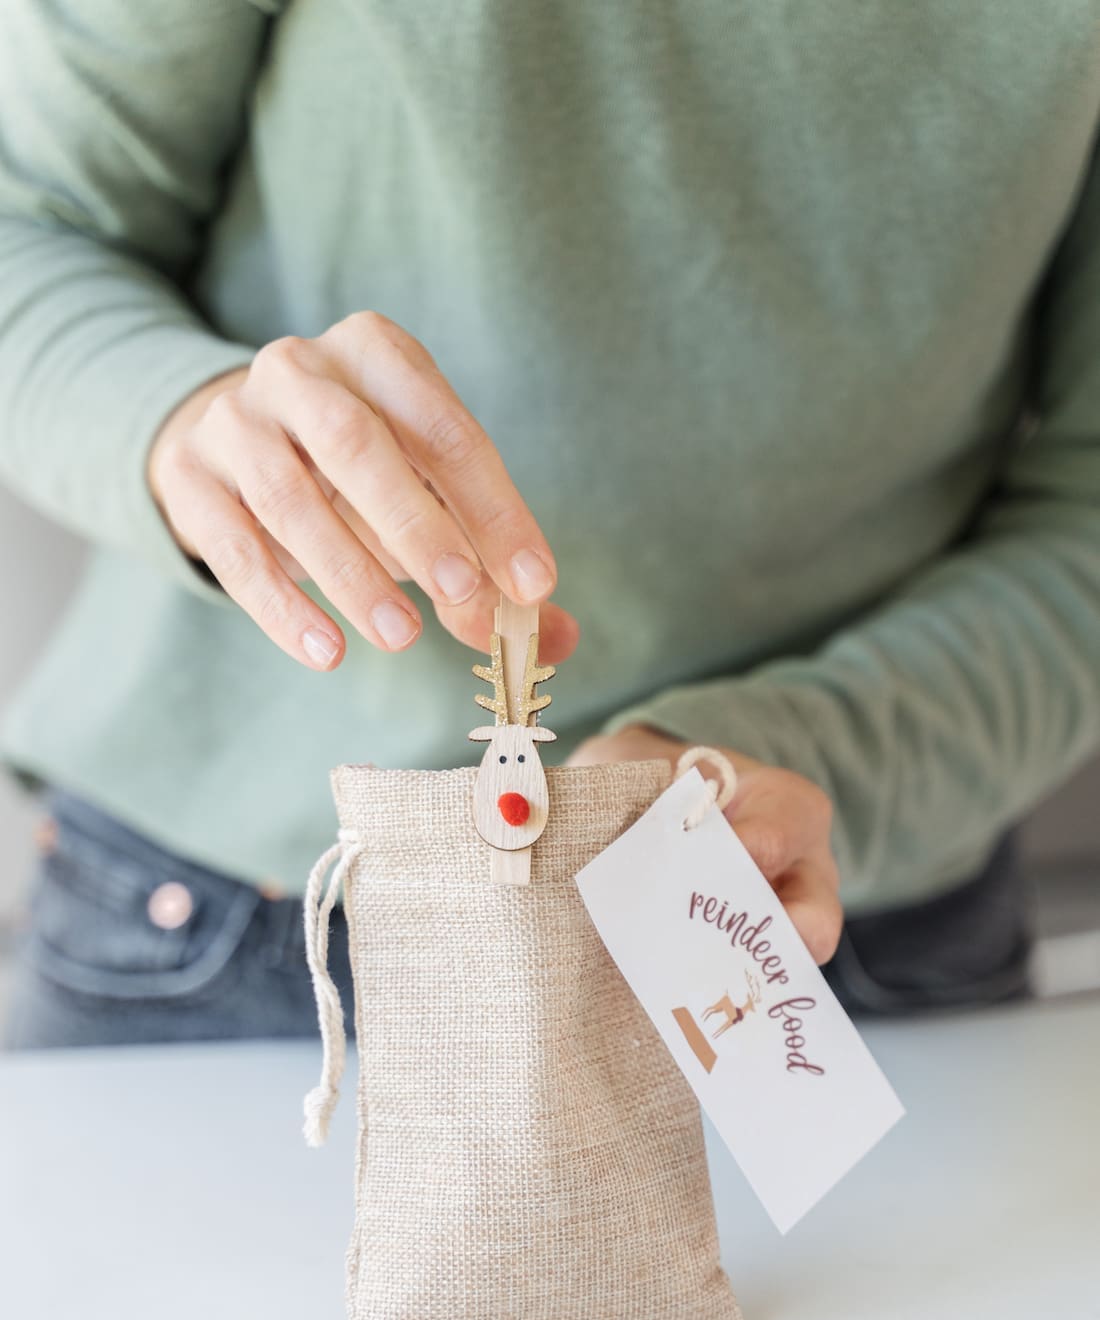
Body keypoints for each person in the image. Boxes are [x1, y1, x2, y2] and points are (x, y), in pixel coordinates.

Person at [2, 2, 1096, 1049]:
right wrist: (177, 422)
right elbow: (29, 222)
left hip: (813, 922)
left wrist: (812, 748)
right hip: (231, 911)